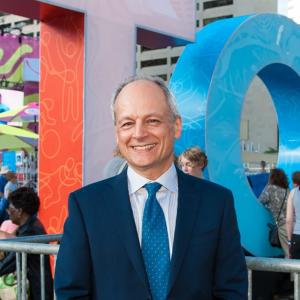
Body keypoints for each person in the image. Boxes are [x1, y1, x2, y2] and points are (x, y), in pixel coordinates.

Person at [55, 76, 247, 299]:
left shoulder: (216, 202)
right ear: (117, 134)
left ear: (176, 126)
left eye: (152, 120)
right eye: (127, 123)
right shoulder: (86, 206)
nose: (139, 133)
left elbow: (231, 290)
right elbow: (71, 292)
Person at [0, 187, 53, 300]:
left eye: (9, 208)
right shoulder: (31, 225)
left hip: (37, 292)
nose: (8, 211)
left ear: (19, 211)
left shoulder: (30, 232)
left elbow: (8, 264)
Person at [259, 168, 289, 257]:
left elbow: (261, 200)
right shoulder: (288, 190)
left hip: (284, 226)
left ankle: (292, 271)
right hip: (295, 225)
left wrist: (269, 207)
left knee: (288, 255)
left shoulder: (270, 188)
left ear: (272, 177)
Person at [286, 171, 300, 258]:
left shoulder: (293, 192)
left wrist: (289, 241)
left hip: (297, 236)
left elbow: (289, 220)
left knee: (296, 269)